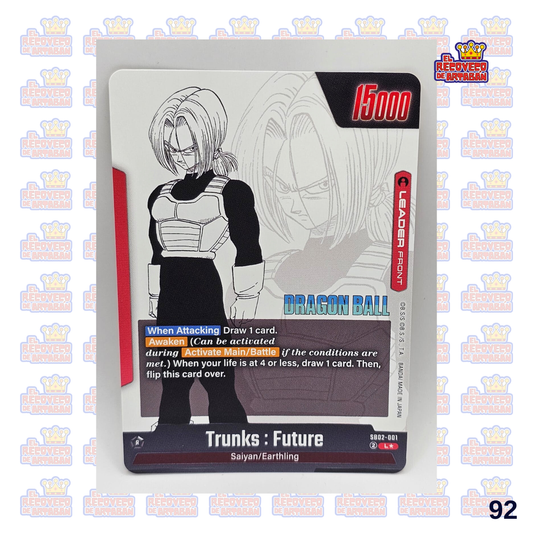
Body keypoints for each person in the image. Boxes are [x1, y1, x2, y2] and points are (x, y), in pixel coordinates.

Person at [147, 87, 264, 425]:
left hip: (204, 290)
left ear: (208, 139)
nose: (181, 158)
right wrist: (154, 296)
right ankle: (169, 439)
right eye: (173, 150)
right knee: (173, 381)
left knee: (218, 381)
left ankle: (232, 438)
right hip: (169, 295)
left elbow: (248, 244)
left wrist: (247, 294)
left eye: (189, 149)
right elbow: (156, 250)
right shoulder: (159, 194)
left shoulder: (231, 191)